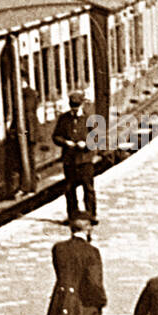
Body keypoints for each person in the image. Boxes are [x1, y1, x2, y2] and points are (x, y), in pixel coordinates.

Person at [53, 89, 96, 224]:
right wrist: (66, 142)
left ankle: (91, 215)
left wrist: (86, 144)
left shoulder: (90, 118)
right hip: (69, 160)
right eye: (72, 106)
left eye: (77, 106)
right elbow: (56, 137)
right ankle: (72, 215)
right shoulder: (64, 119)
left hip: (85, 160)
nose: (74, 109)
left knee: (88, 189)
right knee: (70, 189)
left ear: (82, 105)